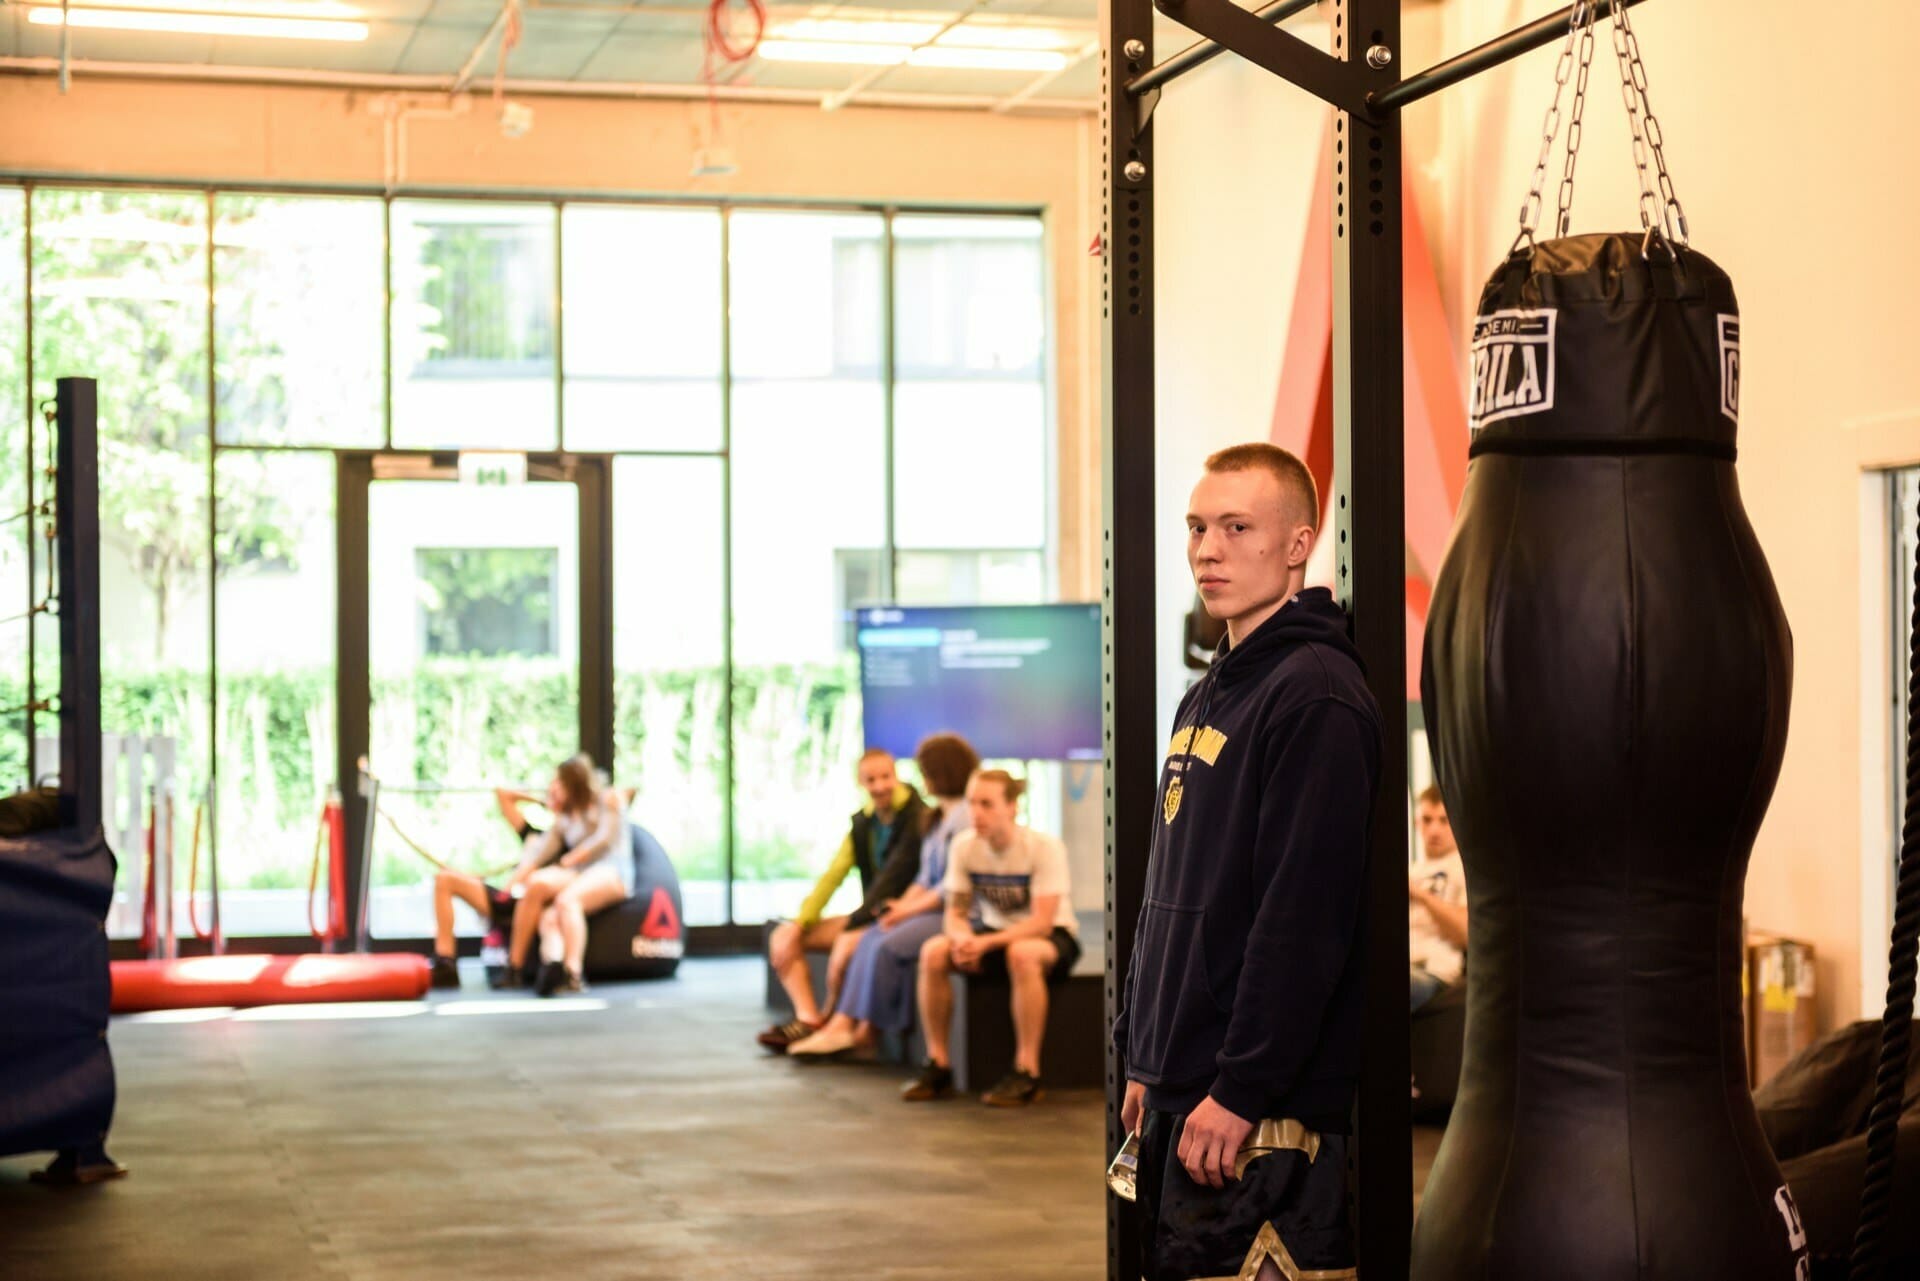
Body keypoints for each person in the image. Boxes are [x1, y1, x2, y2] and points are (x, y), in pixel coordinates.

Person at [1113, 442, 1383, 1281]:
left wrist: (1240, 1087)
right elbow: (1171, 891)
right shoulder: (1209, 691)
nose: (1207, 549)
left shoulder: (1317, 693)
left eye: (1236, 527)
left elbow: (1302, 916)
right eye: (1197, 527)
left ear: (1299, 543)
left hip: (1257, 1120)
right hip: (1176, 1094)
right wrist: (1143, 1055)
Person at [788, 732, 981, 1060]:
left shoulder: (962, 818)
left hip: (957, 912)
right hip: (931, 907)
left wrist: (907, 911)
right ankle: (847, 1026)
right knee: (873, 935)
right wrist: (902, 907)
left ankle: (857, 1028)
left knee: (887, 944)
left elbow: (950, 887)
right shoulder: (936, 817)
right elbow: (924, 877)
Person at [900, 768, 1080, 1107]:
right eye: (971, 803)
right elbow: (954, 913)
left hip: (1050, 936)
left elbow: (1042, 922)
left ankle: (1027, 1072)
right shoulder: (965, 846)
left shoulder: (1043, 847)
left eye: (986, 804)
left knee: (1023, 954)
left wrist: (982, 944)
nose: (976, 813)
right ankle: (938, 1065)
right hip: (994, 934)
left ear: (1012, 807)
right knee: (933, 952)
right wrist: (962, 939)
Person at [756, 749, 927, 1052]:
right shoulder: (863, 824)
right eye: (870, 780)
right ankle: (809, 1021)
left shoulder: (917, 818)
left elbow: (891, 882)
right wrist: (800, 923)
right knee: (784, 937)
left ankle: (837, 1022)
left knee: (848, 947)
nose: (879, 786)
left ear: (896, 776)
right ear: (861, 783)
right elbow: (832, 876)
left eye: (885, 777)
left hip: (900, 917)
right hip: (868, 915)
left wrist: (854, 928)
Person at [510, 754, 631, 997]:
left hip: (610, 871)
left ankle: (574, 974)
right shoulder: (565, 816)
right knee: (549, 916)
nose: (554, 787)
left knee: (567, 902)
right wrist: (513, 882)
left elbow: (604, 839)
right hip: (581, 875)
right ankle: (552, 964)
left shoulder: (608, 799)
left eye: (559, 783)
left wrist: (572, 858)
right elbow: (541, 854)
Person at [426, 784, 557, 990]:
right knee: (444, 879)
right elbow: (503, 793)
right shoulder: (533, 834)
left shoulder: (566, 841)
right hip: (506, 898)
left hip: (528, 903)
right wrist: (542, 801)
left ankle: (514, 968)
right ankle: (446, 962)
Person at [1409, 784, 1468, 1012]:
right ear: (1416, 824)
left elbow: (1465, 933)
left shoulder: (1463, 869)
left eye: (1443, 821)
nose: (1434, 830)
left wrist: (1420, 895)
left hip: (1433, 972)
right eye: (1427, 819)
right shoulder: (1411, 871)